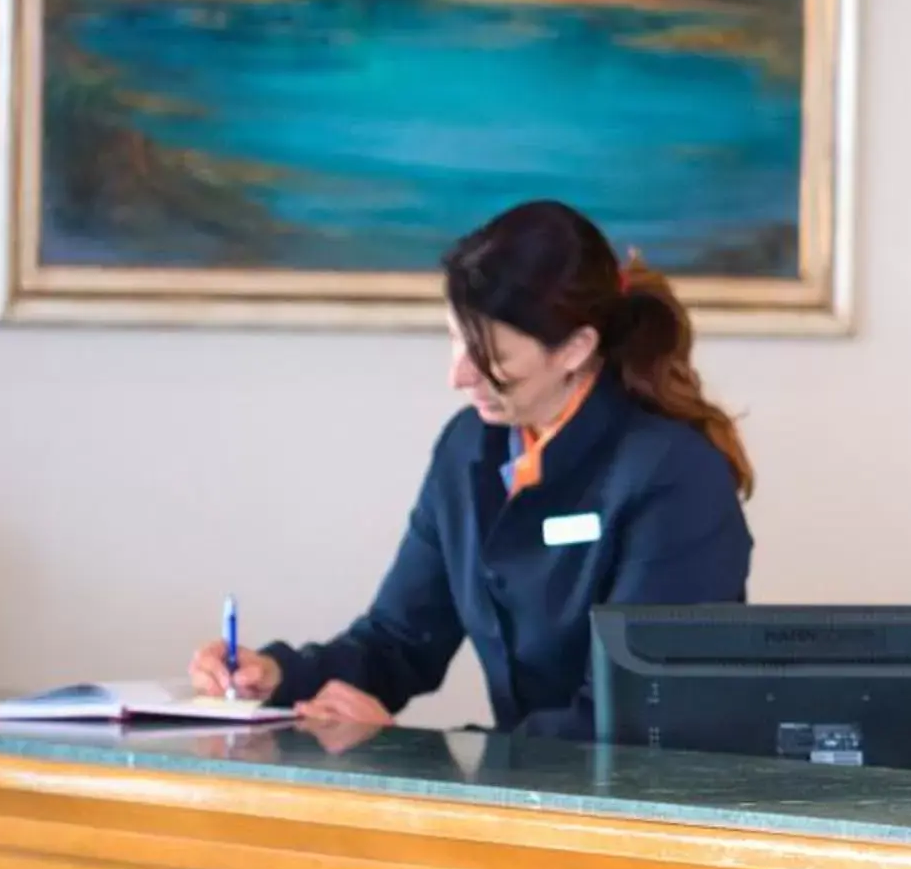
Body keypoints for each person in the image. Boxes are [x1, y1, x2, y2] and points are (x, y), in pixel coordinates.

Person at [189, 201, 755, 738]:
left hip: (643, 818)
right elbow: (399, 642)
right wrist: (278, 677)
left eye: (489, 356)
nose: (458, 376)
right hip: (521, 797)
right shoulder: (470, 449)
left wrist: (408, 751)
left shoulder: (674, 476)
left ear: (576, 349)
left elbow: (629, 723)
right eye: (455, 338)